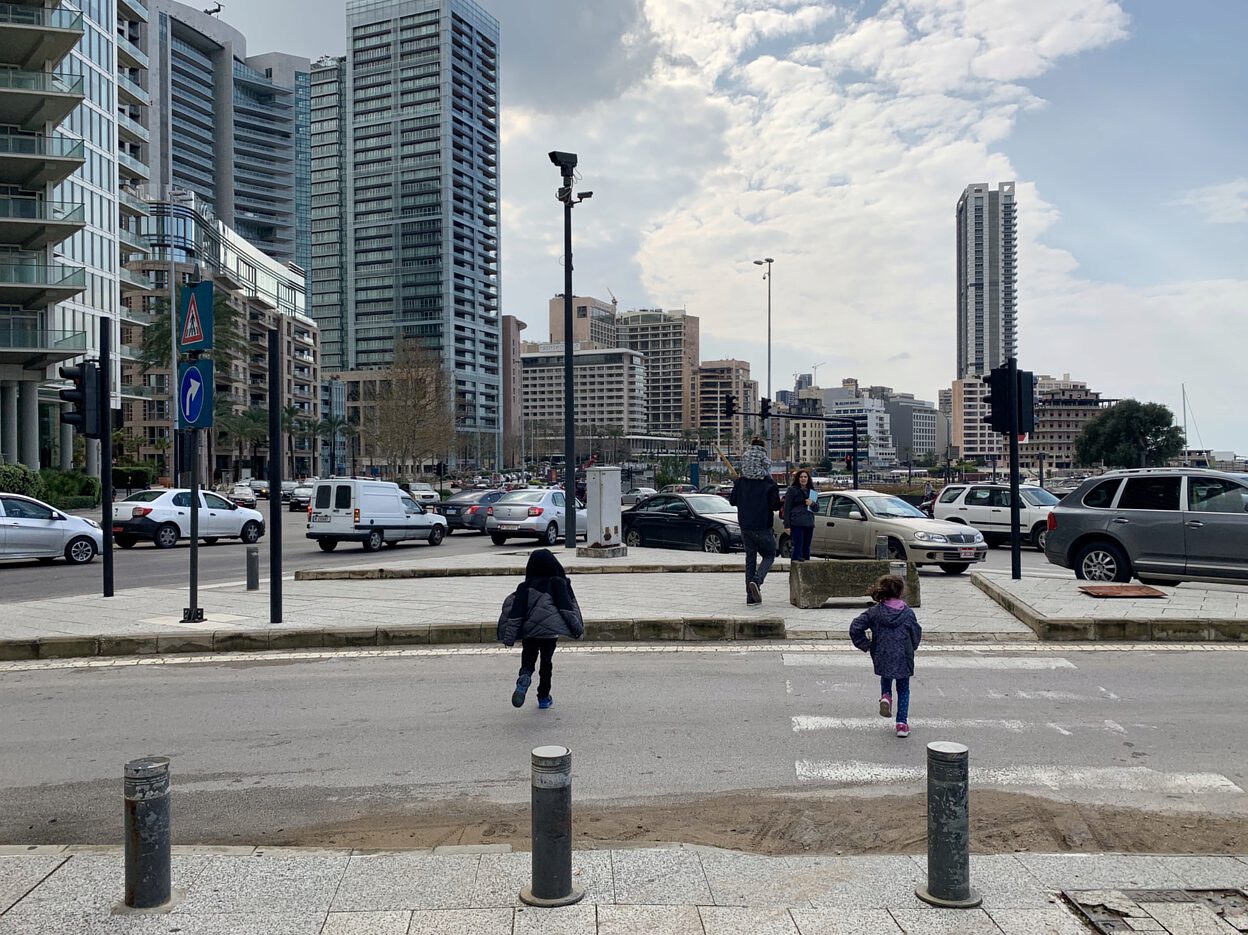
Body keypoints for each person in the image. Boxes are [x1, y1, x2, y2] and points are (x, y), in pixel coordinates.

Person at [497, 548, 585, 709]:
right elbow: (566, 610)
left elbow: (516, 614)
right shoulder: (557, 583)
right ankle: (544, 697)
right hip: (549, 634)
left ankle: (524, 677)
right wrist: (577, 630)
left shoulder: (524, 587)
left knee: (528, 660)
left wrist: (509, 638)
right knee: (546, 663)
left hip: (530, 633)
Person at [849, 575, 923, 738]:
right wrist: (913, 647)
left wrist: (866, 645)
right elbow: (916, 633)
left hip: (882, 653)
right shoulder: (908, 613)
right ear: (901, 592)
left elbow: (855, 627)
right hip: (903, 655)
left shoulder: (875, 612)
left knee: (886, 676)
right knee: (903, 689)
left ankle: (886, 696)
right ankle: (902, 724)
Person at [728, 436, 781, 605]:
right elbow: (774, 506)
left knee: (750, 559)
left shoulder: (741, 482)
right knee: (769, 554)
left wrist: (736, 484)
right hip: (763, 526)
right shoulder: (768, 483)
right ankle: (757, 581)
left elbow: (732, 501)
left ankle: (750, 597)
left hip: (745, 526)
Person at [782, 469, 818, 561]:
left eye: (805, 477)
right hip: (796, 522)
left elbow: (816, 509)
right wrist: (787, 525)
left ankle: (806, 570)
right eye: (801, 477)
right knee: (798, 547)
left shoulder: (812, 491)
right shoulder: (792, 490)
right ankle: (795, 569)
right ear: (798, 479)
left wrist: (812, 503)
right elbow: (787, 508)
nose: (803, 479)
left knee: (806, 547)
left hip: (809, 523)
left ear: (808, 478)